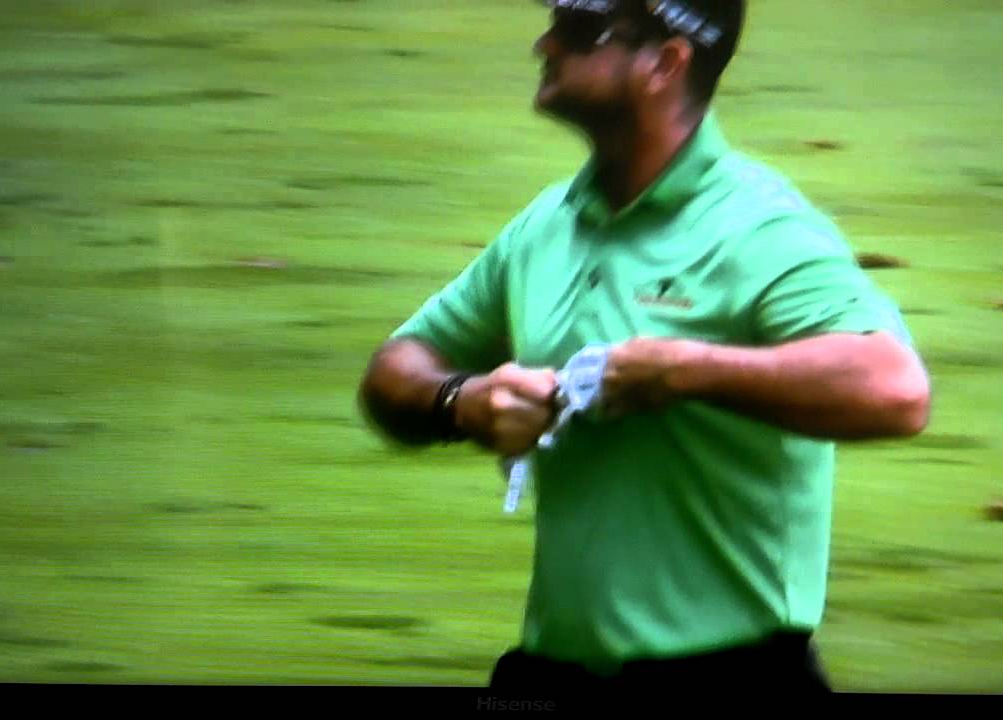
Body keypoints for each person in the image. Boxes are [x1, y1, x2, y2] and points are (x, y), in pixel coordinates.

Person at [357, 0, 931, 696]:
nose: (544, 44)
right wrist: (461, 402)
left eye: (577, 30)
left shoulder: (761, 228)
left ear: (665, 62)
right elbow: (395, 367)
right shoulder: (547, 226)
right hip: (552, 673)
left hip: (731, 681)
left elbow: (894, 389)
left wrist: (686, 370)